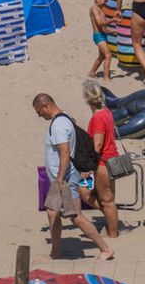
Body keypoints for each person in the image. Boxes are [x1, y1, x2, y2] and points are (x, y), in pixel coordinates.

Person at [32, 93, 114, 261]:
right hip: (60, 179)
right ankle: (55, 253)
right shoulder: (64, 118)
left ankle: (105, 249)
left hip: (64, 180)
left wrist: (60, 180)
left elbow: (65, 153)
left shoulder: (59, 125)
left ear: (46, 106)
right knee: (51, 212)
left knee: (76, 217)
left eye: (39, 112)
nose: (40, 116)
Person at [78, 80, 122, 238]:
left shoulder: (97, 118)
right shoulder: (107, 111)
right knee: (107, 198)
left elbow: (97, 146)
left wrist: (87, 165)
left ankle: (113, 233)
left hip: (103, 161)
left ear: (87, 99)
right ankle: (113, 224)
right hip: (113, 158)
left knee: (102, 198)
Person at [87, 0, 113, 81]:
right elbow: (99, 23)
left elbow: (102, 26)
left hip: (102, 34)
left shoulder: (100, 9)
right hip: (98, 36)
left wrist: (108, 31)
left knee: (102, 57)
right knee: (108, 55)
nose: (106, 3)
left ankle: (92, 72)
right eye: (105, 1)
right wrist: (112, 20)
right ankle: (106, 77)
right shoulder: (94, 9)